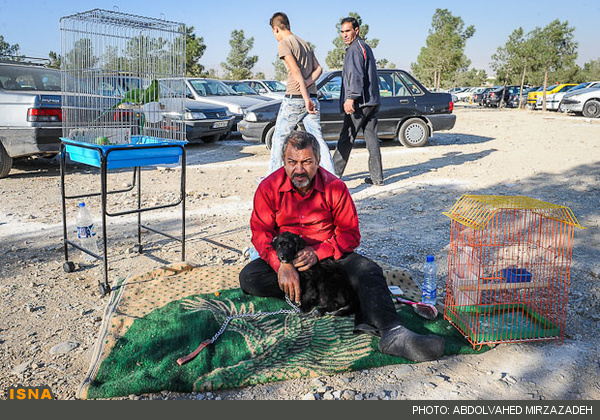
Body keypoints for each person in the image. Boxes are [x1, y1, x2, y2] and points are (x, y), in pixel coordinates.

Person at [239, 130, 445, 362]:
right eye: (292, 162)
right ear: (283, 161)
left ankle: (392, 334)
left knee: (369, 272)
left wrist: (318, 252)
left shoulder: (335, 187)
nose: (299, 169)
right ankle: (329, 295)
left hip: (328, 257)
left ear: (318, 160)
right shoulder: (269, 187)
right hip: (289, 257)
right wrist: (281, 265)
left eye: (306, 162)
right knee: (250, 277)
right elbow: (261, 233)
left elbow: (350, 234)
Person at [267, 12, 336, 176]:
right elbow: (319, 69)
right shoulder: (305, 44)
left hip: (296, 99)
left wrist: (305, 97)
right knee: (317, 139)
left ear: (276, 29)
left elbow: (295, 70)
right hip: (312, 97)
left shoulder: (284, 44)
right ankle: (332, 178)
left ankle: (272, 179)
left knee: (279, 138)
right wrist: (307, 83)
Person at [332, 17, 384, 186]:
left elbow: (356, 75)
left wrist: (350, 98)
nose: (344, 35)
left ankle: (332, 175)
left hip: (360, 103)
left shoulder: (355, 49)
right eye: (342, 32)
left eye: (348, 31)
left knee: (346, 138)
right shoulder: (365, 47)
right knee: (372, 140)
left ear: (356, 30)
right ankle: (377, 178)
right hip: (372, 101)